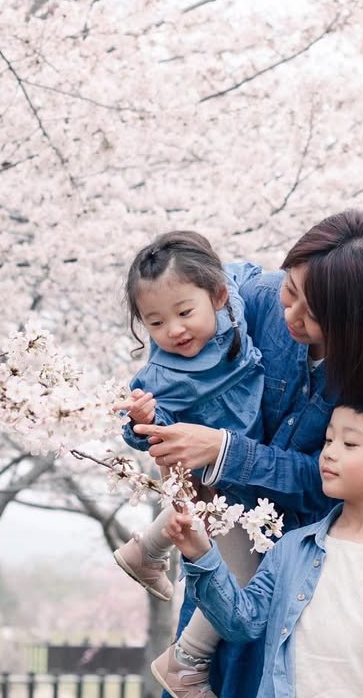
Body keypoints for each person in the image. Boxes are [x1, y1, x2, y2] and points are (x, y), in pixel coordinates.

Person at [132, 210, 363, 697]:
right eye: (291, 292)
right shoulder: (255, 296)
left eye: (314, 316)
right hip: (227, 542)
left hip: (316, 562)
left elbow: (360, 481)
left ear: (361, 325)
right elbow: (179, 308)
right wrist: (169, 418)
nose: (290, 315)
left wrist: (228, 451)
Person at [164, 372, 363, 698]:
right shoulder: (292, 549)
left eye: (349, 443)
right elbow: (240, 622)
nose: (330, 453)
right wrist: (201, 555)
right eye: (328, 440)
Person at [112, 230, 266, 698]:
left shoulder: (234, 300)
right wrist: (142, 418)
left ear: (217, 297)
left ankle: (144, 552)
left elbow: (241, 273)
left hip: (234, 463)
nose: (174, 330)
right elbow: (140, 427)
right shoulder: (163, 374)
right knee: (242, 570)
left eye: (184, 313)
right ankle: (187, 660)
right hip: (211, 472)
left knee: (220, 538)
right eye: (155, 322)